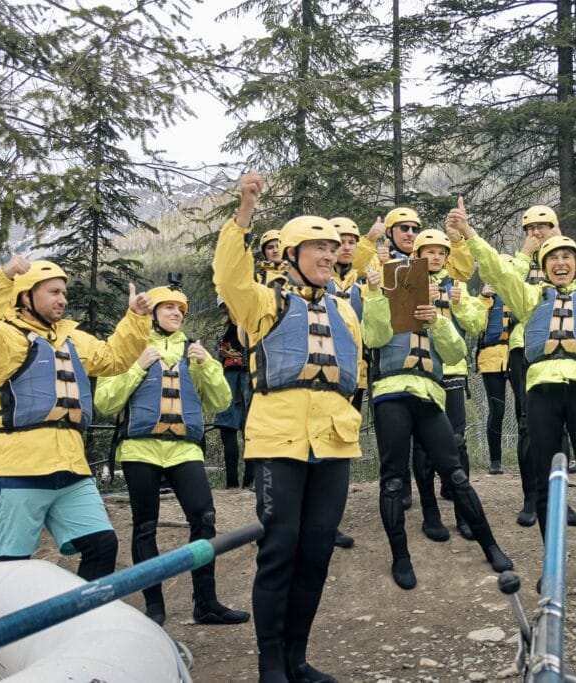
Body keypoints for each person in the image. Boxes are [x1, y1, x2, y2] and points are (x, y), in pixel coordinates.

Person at [449, 191, 576, 593]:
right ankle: (553, 565)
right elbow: (497, 268)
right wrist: (469, 233)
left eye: (567, 258)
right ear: (544, 266)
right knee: (547, 484)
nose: (561, 264)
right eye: (553, 259)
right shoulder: (529, 299)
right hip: (543, 393)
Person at [214, 172, 362, 683]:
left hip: (334, 442)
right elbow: (229, 278)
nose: (327, 256)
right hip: (279, 439)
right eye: (317, 249)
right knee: (280, 549)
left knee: (317, 553)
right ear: (295, 254)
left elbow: (353, 372)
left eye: (331, 249)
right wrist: (246, 211)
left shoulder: (346, 309)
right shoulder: (264, 302)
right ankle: (270, 662)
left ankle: (297, 657)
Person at [0, 257, 152, 579]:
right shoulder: (1, 339)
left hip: (71, 468)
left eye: (64, 293)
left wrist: (136, 318)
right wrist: (2, 277)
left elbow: (113, 358)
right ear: (25, 295)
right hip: (16, 470)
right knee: (14, 569)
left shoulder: (71, 338)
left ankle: (77, 624)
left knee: (102, 546)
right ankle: (20, 630)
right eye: (54, 292)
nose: (63, 299)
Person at [94, 285, 249, 626]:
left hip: (184, 450)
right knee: (145, 526)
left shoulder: (192, 352)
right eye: (169, 307)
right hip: (140, 449)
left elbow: (220, 403)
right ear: (152, 312)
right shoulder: (129, 348)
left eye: (181, 309)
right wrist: (136, 367)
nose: (177, 313)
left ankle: (206, 603)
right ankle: (154, 607)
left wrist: (208, 365)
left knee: (204, 517)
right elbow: (105, 403)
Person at [361, 242, 512, 590]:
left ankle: (491, 546)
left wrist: (439, 321)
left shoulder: (437, 312)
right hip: (392, 395)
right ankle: (401, 557)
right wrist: (376, 295)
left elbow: (456, 351)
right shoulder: (381, 299)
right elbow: (375, 336)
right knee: (394, 480)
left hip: (430, 396)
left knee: (456, 474)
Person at [407, 229, 487, 542]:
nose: (436, 257)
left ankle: (463, 513)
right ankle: (430, 512)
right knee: (423, 445)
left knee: (457, 442)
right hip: (420, 369)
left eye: (441, 252)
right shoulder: (405, 284)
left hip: (452, 369)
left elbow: (475, 324)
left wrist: (460, 305)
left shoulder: (457, 286)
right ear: (418, 256)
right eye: (429, 252)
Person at [507, 205, 576, 528]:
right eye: (531, 228)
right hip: (524, 347)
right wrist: (524, 255)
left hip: (565, 349)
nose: (537, 233)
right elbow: (503, 286)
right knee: (527, 425)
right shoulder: (517, 262)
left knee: (562, 427)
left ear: (556, 226)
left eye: (544, 226)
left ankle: (560, 498)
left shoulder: (566, 260)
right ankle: (531, 496)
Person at [328, 216, 368, 549]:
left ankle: (330, 521)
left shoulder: (365, 283)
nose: (346, 246)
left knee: (340, 447)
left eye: (352, 241)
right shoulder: (312, 280)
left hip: (355, 376)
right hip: (319, 376)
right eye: (340, 240)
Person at [476, 256, 518, 475]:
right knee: (497, 409)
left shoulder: (519, 293)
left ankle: (528, 455)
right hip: (492, 358)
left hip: (517, 356)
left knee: (525, 409)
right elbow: (475, 324)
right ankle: (495, 460)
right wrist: (483, 297)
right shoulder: (486, 297)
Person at [215, 296, 254, 489]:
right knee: (233, 429)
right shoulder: (240, 327)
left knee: (247, 430)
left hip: (242, 380)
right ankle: (237, 482)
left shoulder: (245, 326)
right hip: (237, 380)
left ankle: (246, 482)